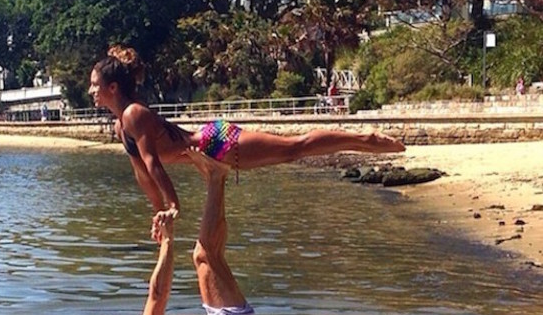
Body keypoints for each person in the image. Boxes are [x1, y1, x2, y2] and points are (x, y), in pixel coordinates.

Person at [89, 45, 406, 225]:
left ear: (112, 87)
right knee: (292, 151)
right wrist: (158, 212)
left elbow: (154, 164)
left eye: (94, 84)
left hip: (216, 143)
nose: (91, 90)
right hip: (213, 153)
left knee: (294, 148)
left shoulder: (134, 115)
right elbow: (143, 175)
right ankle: (360, 140)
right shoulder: (121, 125)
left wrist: (173, 206)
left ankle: (364, 139)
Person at [74, 151, 258, 315]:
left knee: (213, 252)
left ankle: (218, 177)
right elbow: (158, 294)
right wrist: (168, 241)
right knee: (203, 255)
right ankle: (215, 177)